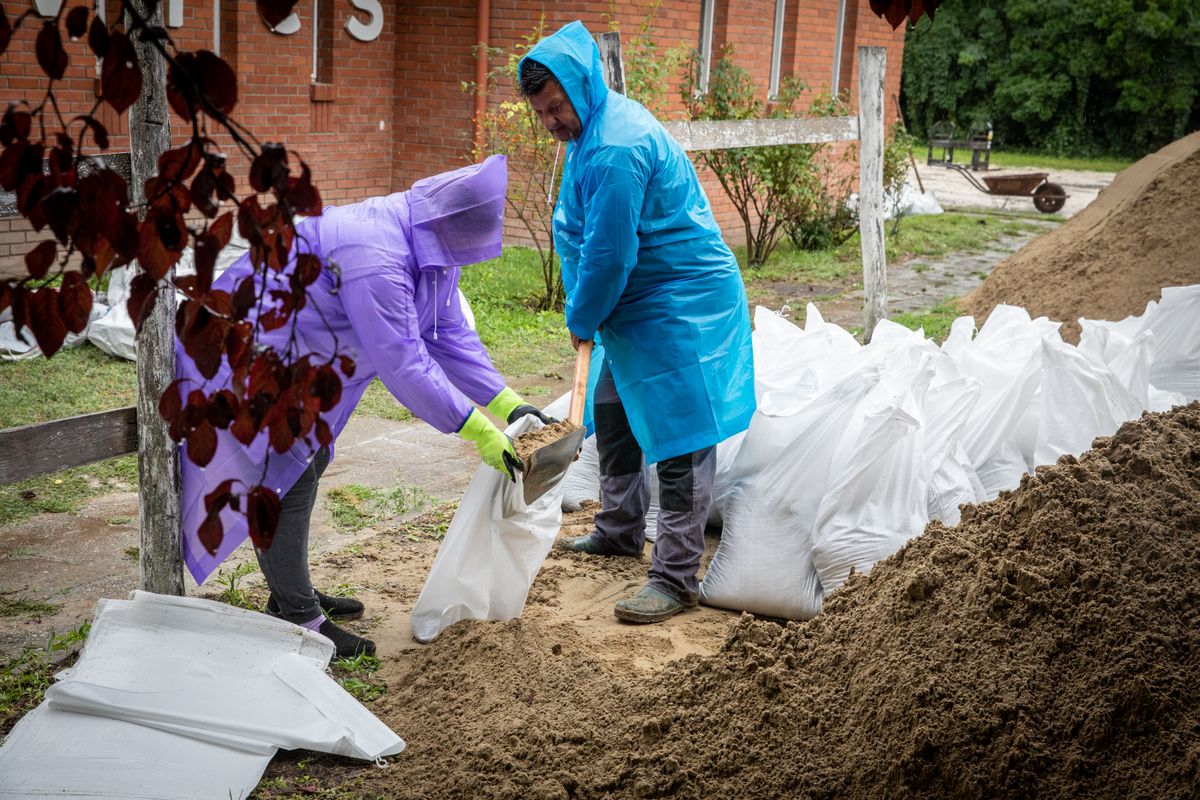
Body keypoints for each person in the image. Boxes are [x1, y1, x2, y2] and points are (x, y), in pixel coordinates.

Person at [176, 155, 550, 657]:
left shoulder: (429, 252)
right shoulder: (377, 254)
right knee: (288, 472)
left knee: (309, 458)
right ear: (448, 225)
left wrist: (510, 404)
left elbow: (446, 334)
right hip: (245, 345)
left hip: (294, 356)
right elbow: (404, 363)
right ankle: (298, 613)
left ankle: (288, 591)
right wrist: (479, 431)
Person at [519, 22, 755, 624]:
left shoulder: (617, 147)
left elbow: (610, 254)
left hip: (679, 305)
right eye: (541, 112)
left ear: (579, 87)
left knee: (680, 439)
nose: (549, 121)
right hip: (636, 301)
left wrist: (581, 317)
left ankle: (677, 577)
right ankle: (621, 528)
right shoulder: (591, 131)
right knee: (613, 410)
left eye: (555, 107)